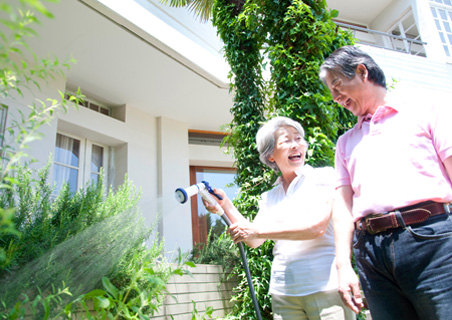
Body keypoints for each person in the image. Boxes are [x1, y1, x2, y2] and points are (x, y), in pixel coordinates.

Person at [319, 45, 452, 320]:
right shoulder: (345, 143)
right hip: (370, 253)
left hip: (433, 243)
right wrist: (344, 265)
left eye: (337, 85)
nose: (334, 97)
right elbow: (343, 207)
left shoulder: (425, 109)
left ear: (361, 71)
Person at [203, 116, 355, 320]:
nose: (296, 145)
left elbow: (315, 228)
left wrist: (257, 231)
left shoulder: (323, 177)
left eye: (299, 138)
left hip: (325, 287)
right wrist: (226, 205)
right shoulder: (270, 196)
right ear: (271, 155)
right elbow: (255, 240)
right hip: (284, 293)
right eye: (286, 141)